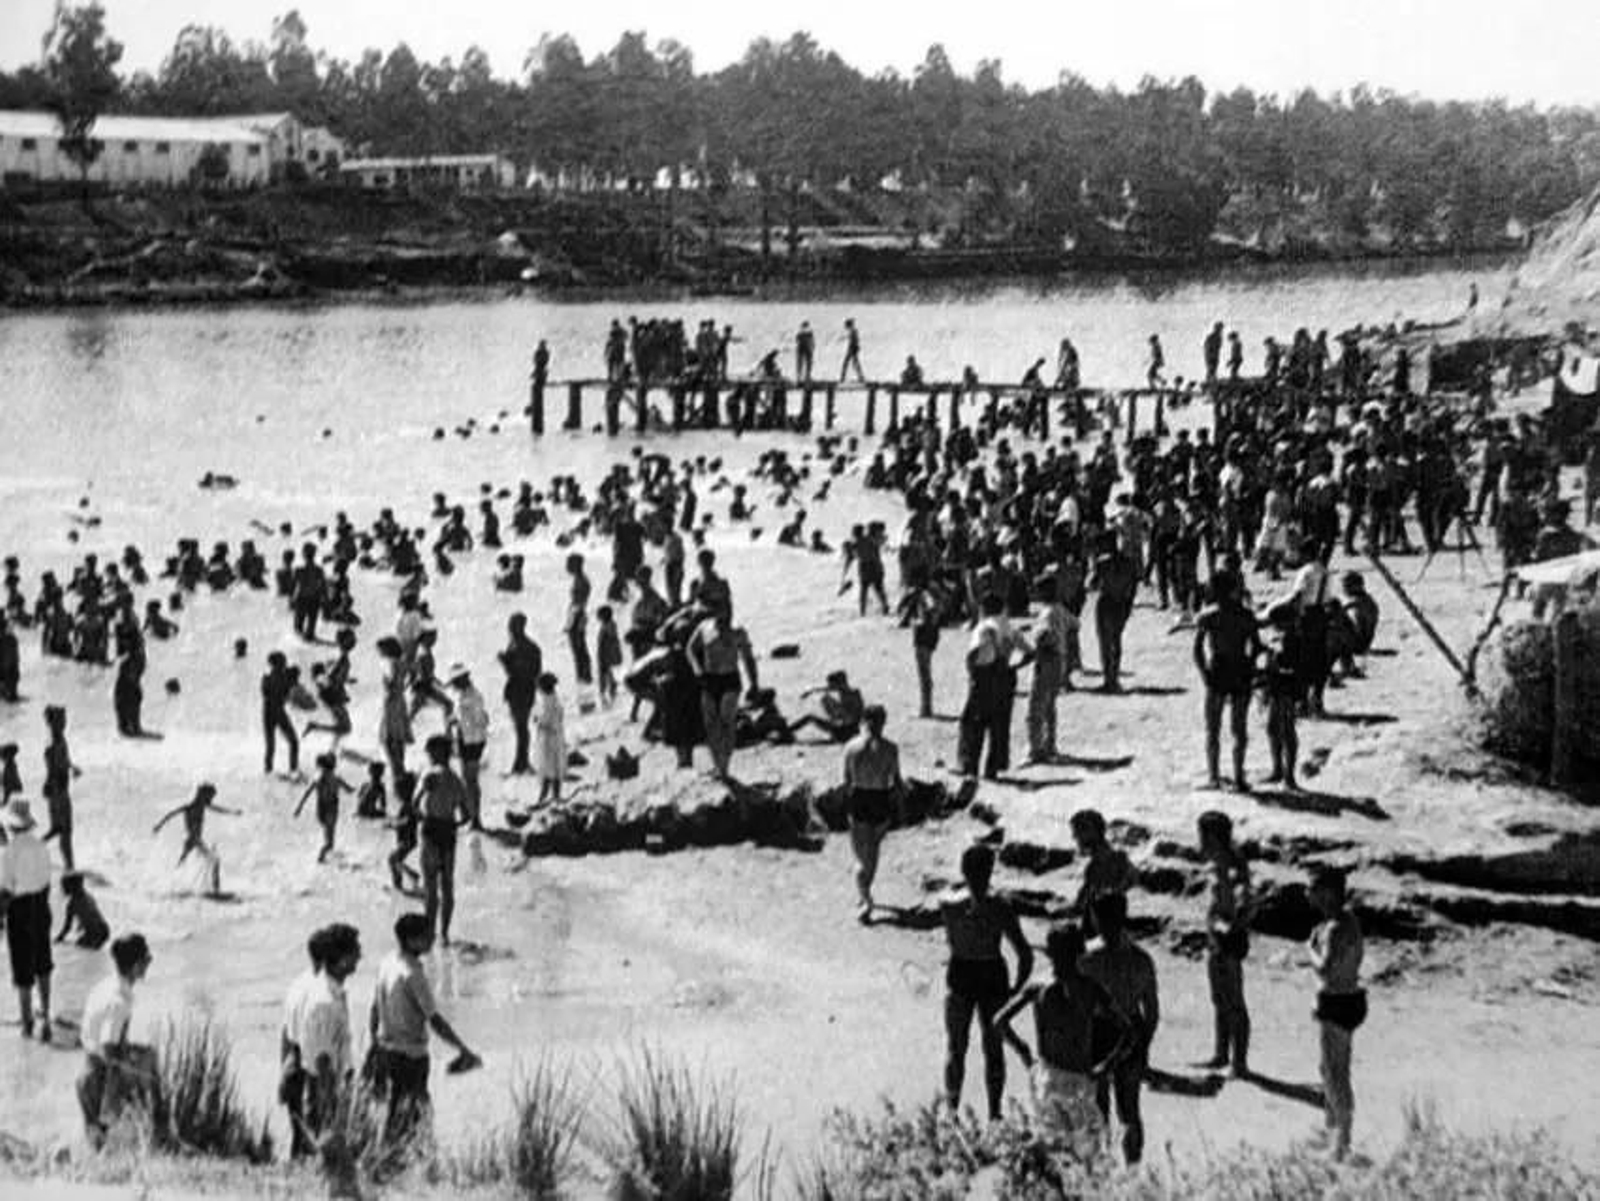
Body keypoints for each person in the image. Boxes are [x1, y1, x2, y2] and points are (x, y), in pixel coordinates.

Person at [994, 923, 1128, 1159]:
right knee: (1086, 1153)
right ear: (1079, 952)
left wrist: (1024, 1052)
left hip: (1048, 1075)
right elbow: (1128, 1029)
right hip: (1079, 1077)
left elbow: (1000, 1021)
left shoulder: (1039, 986)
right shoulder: (1090, 988)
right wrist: (1108, 1064)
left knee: (1054, 1149)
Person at [368, 913, 480, 1154]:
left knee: (397, 1110)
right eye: (428, 935)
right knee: (417, 1114)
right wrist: (463, 1049)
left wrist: (373, 1044)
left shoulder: (387, 963)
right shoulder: (413, 974)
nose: (433, 938)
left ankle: (392, 1156)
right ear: (412, 940)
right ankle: (404, 1160)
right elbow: (435, 1020)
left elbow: (374, 1008)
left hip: (387, 1050)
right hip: (411, 1054)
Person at [941, 844, 1034, 1121]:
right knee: (992, 1048)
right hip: (991, 974)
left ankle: (952, 1110)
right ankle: (993, 1113)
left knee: (957, 1046)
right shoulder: (1000, 908)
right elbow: (1024, 953)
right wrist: (1016, 989)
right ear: (990, 871)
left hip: (962, 972)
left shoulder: (949, 905)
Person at [1080, 893, 1160, 1165]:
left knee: (1097, 1108)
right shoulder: (1142, 959)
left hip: (1099, 1033)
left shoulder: (1088, 958)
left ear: (1096, 918)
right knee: (1130, 1110)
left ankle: (1098, 1169)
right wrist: (1144, 1045)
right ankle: (1133, 1172)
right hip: (1132, 1032)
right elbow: (1152, 1011)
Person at [281, 923, 361, 1159]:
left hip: (319, 1084)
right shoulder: (325, 1002)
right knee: (320, 1152)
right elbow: (323, 1061)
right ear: (343, 959)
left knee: (307, 1147)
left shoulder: (328, 991)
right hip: (322, 1088)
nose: (361, 956)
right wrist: (332, 1112)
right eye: (356, 951)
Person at [1307, 866, 1365, 1161]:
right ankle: (1332, 1130)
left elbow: (1325, 967)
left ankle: (1342, 1142)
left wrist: (1310, 951)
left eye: (1313, 888)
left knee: (1335, 1074)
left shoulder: (1332, 929)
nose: (1308, 894)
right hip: (1350, 999)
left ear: (1327, 893)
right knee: (1328, 1069)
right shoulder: (1349, 920)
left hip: (1337, 1003)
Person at [77, 933, 153, 1148]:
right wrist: (136, 1065)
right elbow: (108, 1046)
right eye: (146, 959)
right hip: (100, 1079)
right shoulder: (119, 1001)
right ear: (135, 966)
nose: (149, 963)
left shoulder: (105, 986)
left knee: (96, 1144)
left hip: (87, 1073)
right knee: (103, 1143)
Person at [1194, 569, 1260, 791]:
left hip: (1219, 668)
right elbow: (1256, 646)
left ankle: (1214, 776)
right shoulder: (1246, 615)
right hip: (1240, 667)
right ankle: (1239, 777)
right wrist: (1250, 668)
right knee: (1239, 728)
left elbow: (1197, 650)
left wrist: (1204, 674)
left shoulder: (1209, 615)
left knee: (1213, 728)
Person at [1198, 810, 1252, 1077]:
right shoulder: (1217, 863)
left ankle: (1239, 1063)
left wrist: (1230, 929)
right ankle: (1221, 1054)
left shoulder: (1232, 867)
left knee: (1234, 1001)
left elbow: (1246, 903)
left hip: (1228, 941)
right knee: (1219, 999)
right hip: (1216, 940)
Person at [958, 593, 1032, 779]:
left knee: (973, 723)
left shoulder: (984, 627)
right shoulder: (1010, 627)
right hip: (1005, 677)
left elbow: (976, 652)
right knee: (999, 725)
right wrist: (1014, 666)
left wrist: (972, 670)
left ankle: (970, 766)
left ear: (983, 608)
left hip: (984, 677)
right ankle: (993, 768)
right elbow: (1030, 652)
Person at [842, 704, 902, 923]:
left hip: (860, 799)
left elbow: (847, 781)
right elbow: (896, 781)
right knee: (873, 851)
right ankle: (865, 893)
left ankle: (866, 900)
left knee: (860, 857)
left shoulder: (851, 747)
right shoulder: (891, 748)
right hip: (880, 799)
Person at [2, 798, 55, 1040]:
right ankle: (45, 1011)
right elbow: (46, 881)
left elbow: (6, 889)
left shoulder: (8, 853)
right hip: (41, 904)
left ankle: (27, 1021)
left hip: (19, 908)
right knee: (43, 961)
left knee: (22, 966)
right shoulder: (41, 846)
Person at [416, 736, 471, 945]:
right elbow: (466, 815)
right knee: (447, 885)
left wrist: (423, 816)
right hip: (448, 832)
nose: (428, 757)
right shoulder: (457, 780)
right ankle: (445, 934)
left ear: (436, 753)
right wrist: (454, 825)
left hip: (431, 831)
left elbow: (414, 804)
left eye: (430, 753)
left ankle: (429, 933)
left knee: (430, 887)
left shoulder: (429, 775)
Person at [152, 783, 238, 897]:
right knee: (214, 861)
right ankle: (215, 891)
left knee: (182, 863)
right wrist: (159, 825)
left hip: (192, 840)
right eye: (210, 797)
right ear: (202, 795)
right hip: (195, 840)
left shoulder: (201, 806)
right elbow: (172, 814)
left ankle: (172, 887)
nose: (211, 800)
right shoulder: (190, 807)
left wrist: (232, 812)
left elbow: (218, 809)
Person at [685, 606, 742, 778]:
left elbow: (748, 657)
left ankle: (725, 767)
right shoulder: (704, 627)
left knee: (727, 721)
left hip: (730, 679)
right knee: (711, 725)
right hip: (709, 679)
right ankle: (718, 765)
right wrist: (697, 670)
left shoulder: (737, 631)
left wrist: (754, 683)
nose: (724, 616)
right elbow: (690, 649)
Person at [1026, 580, 1070, 763]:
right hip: (1059, 659)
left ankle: (1035, 750)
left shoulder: (1047, 613)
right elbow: (1075, 624)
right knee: (1050, 705)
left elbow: (1045, 635)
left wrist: (1036, 646)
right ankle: (1049, 744)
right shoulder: (1059, 609)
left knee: (1035, 707)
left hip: (1046, 658)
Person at [1068, 809, 1136, 927]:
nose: (1074, 837)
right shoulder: (1117, 859)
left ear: (1090, 832)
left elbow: (1085, 906)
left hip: (1102, 936)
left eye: (1077, 832)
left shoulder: (1099, 866)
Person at [1091, 530, 1138, 693]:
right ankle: (1114, 677)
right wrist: (1129, 604)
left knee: (1105, 642)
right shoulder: (1129, 562)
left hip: (1106, 602)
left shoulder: (1102, 562)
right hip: (1121, 602)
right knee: (1116, 641)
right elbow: (1133, 587)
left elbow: (1093, 583)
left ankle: (1108, 679)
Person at [446, 664, 489, 830]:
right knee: (468, 780)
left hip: (472, 741)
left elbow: (479, 720)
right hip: (466, 739)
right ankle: (471, 816)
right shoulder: (463, 694)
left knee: (471, 780)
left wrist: (457, 722)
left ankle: (475, 818)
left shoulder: (473, 696)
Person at [499, 615, 542, 776]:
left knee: (521, 728)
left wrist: (505, 662)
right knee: (521, 728)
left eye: (512, 626)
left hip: (521, 691)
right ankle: (521, 762)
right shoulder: (523, 645)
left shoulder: (524, 647)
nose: (509, 629)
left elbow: (522, 672)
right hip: (521, 690)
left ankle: (521, 763)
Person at [42, 705, 83, 871]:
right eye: (61, 719)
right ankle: (69, 866)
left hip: (57, 787)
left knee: (58, 829)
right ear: (53, 722)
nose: (65, 722)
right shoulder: (54, 741)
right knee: (65, 830)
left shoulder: (57, 738)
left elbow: (61, 760)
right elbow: (53, 764)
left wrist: (71, 767)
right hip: (58, 788)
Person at [295, 753, 355, 864]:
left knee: (328, 834)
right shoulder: (335, 778)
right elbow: (350, 790)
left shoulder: (318, 777)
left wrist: (299, 807)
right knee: (330, 840)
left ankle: (327, 851)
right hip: (331, 809)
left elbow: (307, 793)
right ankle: (321, 856)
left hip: (320, 810)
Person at [788, 670, 865, 742]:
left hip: (847, 731)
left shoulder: (853, 695)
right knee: (824, 699)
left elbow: (855, 716)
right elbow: (826, 689)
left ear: (839, 683)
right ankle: (787, 731)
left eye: (832, 685)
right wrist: (811, 691)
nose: (830, 688)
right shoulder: (845, 691)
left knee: (816, 711)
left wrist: (840, 718)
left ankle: (786, 732)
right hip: (841, 727)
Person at [377, 637, 412, 784]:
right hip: (399, 701)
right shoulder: (402, 663)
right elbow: (413, 673)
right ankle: (400, 770)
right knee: (398, 738)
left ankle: (398, 773)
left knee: (389, 739)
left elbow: (390, 683)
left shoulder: (390, 664)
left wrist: (391, 689)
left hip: (391, 703)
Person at [261, 652, 301, 777]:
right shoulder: (285, 677)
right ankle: (293, 769)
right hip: (277, 711)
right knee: (293, 742)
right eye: (283, 662)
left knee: (270, 745)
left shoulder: (266, 678)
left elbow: (267, 693)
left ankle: (268, 770)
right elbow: (290, 692)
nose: (285, 664)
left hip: (268, 711)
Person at [533, 673, 566, 805]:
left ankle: (543, 797)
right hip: (557, 737)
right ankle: (555, 796)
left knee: (547, 768)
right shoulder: (555, 699)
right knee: (556, 768)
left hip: (547, 738)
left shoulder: (545, 701)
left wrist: (538, 721)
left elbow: (543, 720)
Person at [57, 871, 110, 949]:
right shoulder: (89, 896)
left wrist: (57, 940)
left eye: (64, 886)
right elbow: (92, 914)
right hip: (104, 929)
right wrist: (81, 925)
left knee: (79, 946)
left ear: (72, 887)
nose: (63, 889)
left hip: (94, 933)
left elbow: (67, 928)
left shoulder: (72, 904)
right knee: (84, 945)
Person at [564, 553, 593, 687]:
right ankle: (583, 676)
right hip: (577, 615)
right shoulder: (580, 579)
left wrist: (570, 621)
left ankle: (584, 676)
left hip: (577, 616)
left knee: (579, 649)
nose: (567, 566)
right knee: (579, 649)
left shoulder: (581, 581)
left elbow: (579, 603)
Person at [595, 606, 623, 708]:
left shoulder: (609, 626)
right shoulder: (607, 625)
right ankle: (607, 696)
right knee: (606, 677)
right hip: (606, 656)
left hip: (608, 656)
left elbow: (611, 641)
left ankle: (610, 697)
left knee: (609, 677)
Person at [839, 318, 865, 383]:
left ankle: (843, 378)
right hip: (852, 349)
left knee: (847, 363)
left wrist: (843, 338)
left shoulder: (853, 331)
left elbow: (854, 340)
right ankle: (860, 377)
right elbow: (850, 337)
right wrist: (843, 338)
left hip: (852, 349)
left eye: (846, 326)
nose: (846, 328)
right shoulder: (853, 331)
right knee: (854, 364)